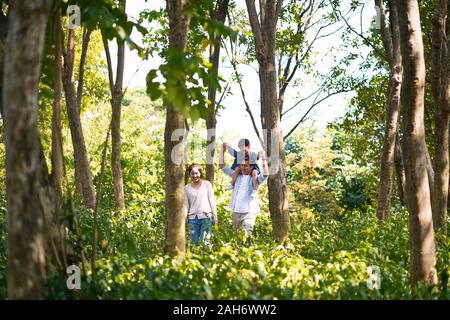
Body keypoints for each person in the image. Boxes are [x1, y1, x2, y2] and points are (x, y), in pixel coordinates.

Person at [219, 145, 269, 237]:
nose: (242, 167)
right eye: (241, 165)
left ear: (251, 167)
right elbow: (222, 166)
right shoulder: (237, 176)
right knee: (236, 238)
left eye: (245, 165)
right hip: (236, 212)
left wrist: (263, 159)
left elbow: (265, 174)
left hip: (249, 213)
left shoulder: (255, 179)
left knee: (248, 234)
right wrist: (222, 149)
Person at [184, 164, 218, 247]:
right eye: (192, 173)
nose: (195, 176)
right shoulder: (186, 188)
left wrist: (215, 217)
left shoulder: (207, 184)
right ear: (189, 174)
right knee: (194, 243)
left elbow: (212, 201)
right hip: (193, 219)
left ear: (200, 173)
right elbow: (186, 206)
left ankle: (208, 259)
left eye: (196, 173)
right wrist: (183, 221)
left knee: (205, 241)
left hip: (206, 217)